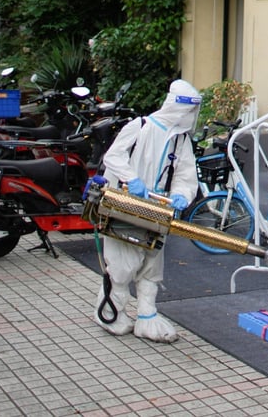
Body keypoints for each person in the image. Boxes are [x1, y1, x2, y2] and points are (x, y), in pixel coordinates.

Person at [93, 79, 201, 343]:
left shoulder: (180, 140)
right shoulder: (140, 127)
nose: (188, 117)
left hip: (157, 209)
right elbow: (113, 157)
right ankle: (111, 312)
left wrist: (180, 195)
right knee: (122, 263)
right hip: (125, 206)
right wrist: (132, 178)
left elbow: (186, 175)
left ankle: (147, 315)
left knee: (152, 262)